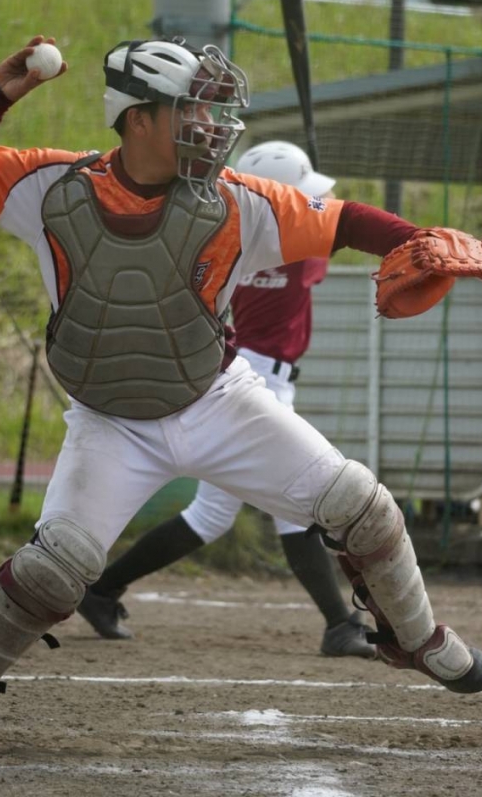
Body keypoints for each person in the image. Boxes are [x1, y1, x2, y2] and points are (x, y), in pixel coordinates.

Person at [0, 34, 482, 750]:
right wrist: (2, 88)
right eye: (189, 109)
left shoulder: (236, 201)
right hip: (108, 421)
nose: (210, 125)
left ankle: (417, 638)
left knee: (363, 506)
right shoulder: (53, 186)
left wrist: (420, 237)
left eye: (211, 110)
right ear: (137, 119)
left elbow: (343, 219)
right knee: (53, 569)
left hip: (217, 400)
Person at [77, 140, 374, 660]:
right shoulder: (299, 252)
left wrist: (303, 195)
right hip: (259, 382)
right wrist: (315, 203)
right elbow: (330, 223)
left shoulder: (234, 241)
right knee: (299, 499)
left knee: (212, 515)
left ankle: (102, 590)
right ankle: (340, 624)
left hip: (239, 370)